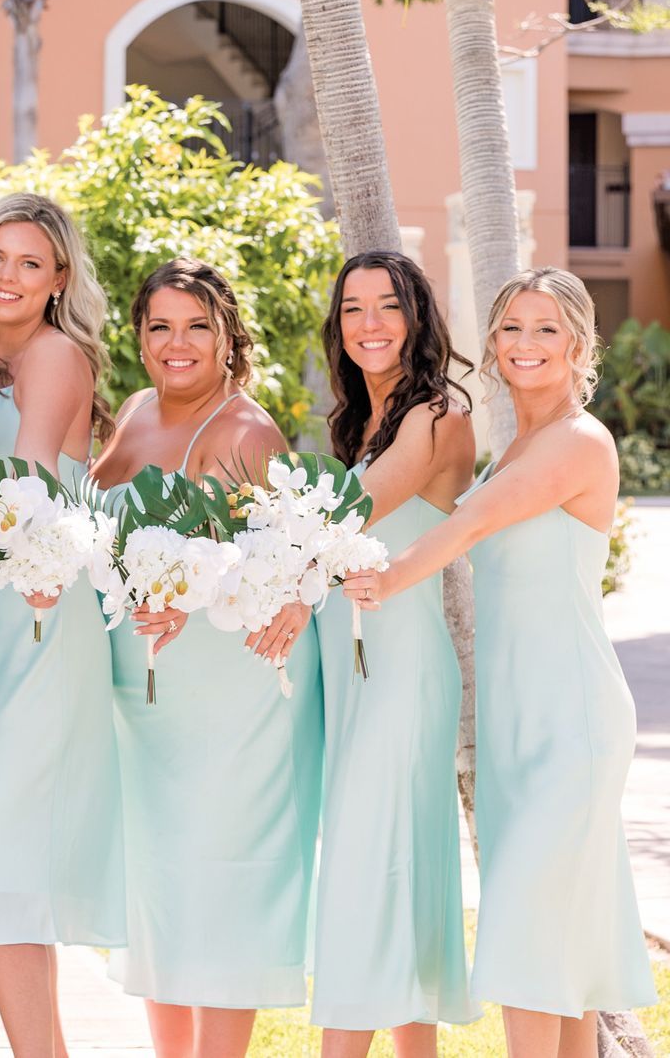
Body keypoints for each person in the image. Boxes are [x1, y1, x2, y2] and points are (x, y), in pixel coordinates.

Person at [344, 268, 656, 1058]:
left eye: (546, 328)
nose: (525, 344)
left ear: (579, 343)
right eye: (512, 328)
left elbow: (470, 525)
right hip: (514, 722)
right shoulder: (512, 442)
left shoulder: (579, 442)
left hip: (571, 717)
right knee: (565, 954)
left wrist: (381, 576)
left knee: (526, 941)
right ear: (492, 342)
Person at [89, 258, 319, 1058]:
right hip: (144, 701)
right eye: (160, 326)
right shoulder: (136, 410)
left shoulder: (246, 431)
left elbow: (297, 563)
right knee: (162, 892)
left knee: (223, 885)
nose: (176, 342)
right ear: (140, 337)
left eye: (196, 326)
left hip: (225, 702)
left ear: (228, 336)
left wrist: (197, 597)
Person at [0, 195, 124, 1058]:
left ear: (58, 279)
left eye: (30, 261)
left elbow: (32, 476)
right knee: (3, 864)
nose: (9, 275)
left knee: (0, 860)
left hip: (41, 614)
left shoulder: (54, 354)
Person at [313, 251, 477, 1055]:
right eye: (353, 308)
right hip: (355, 673)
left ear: (417, 319)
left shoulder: (436, 414)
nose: (369, 323)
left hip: (404, 670)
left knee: (366, 873)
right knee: (396, 878)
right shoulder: (359, 421)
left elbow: (350, 515)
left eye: (387, 306)